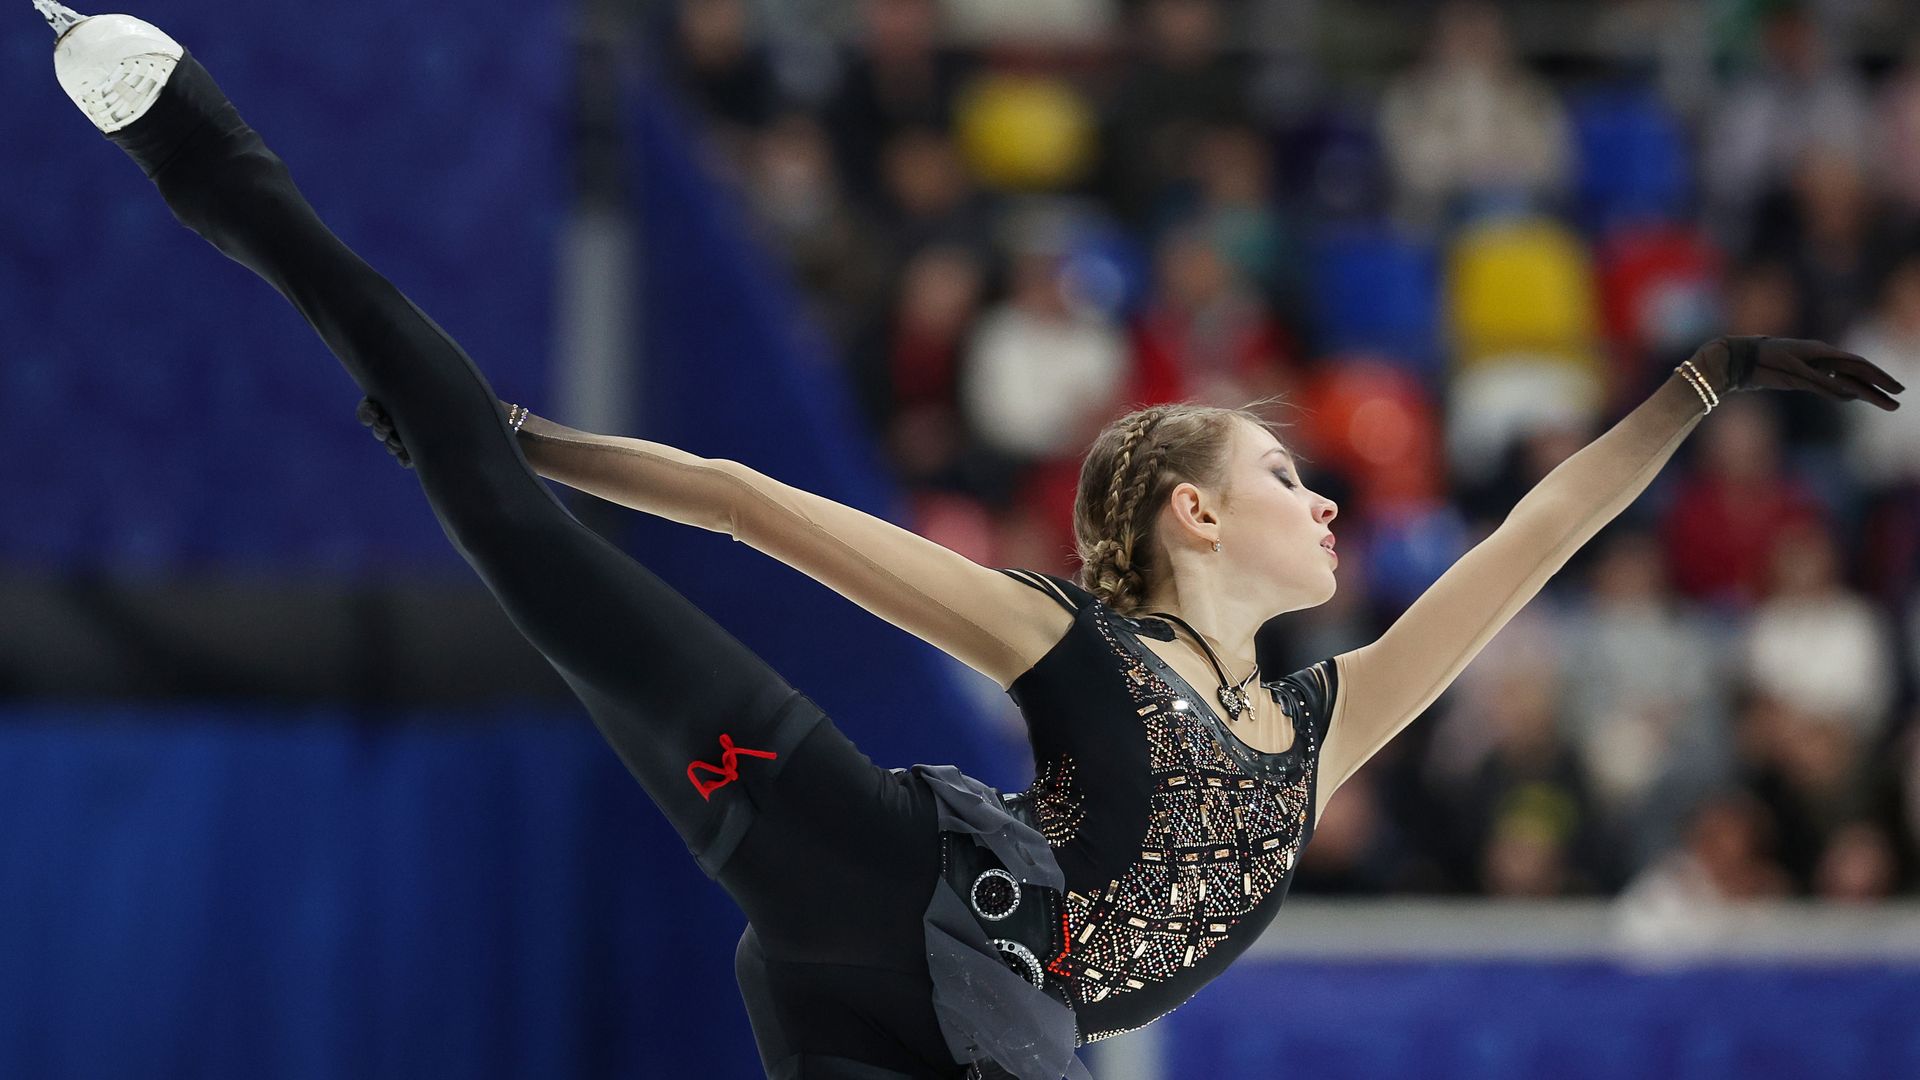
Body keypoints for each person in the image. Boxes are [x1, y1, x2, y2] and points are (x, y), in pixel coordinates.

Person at [40, 6, 1906, 1078]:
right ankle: (205, 144)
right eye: (1288, 477)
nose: (1332, 502)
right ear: (1190, 514)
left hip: (957, 1027)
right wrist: (520, 446)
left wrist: (1708, 379)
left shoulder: (1341, 716)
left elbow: (1545, 523)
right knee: (507, 528)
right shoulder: (1069, 645)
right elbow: (767, 508)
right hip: (879, 884)